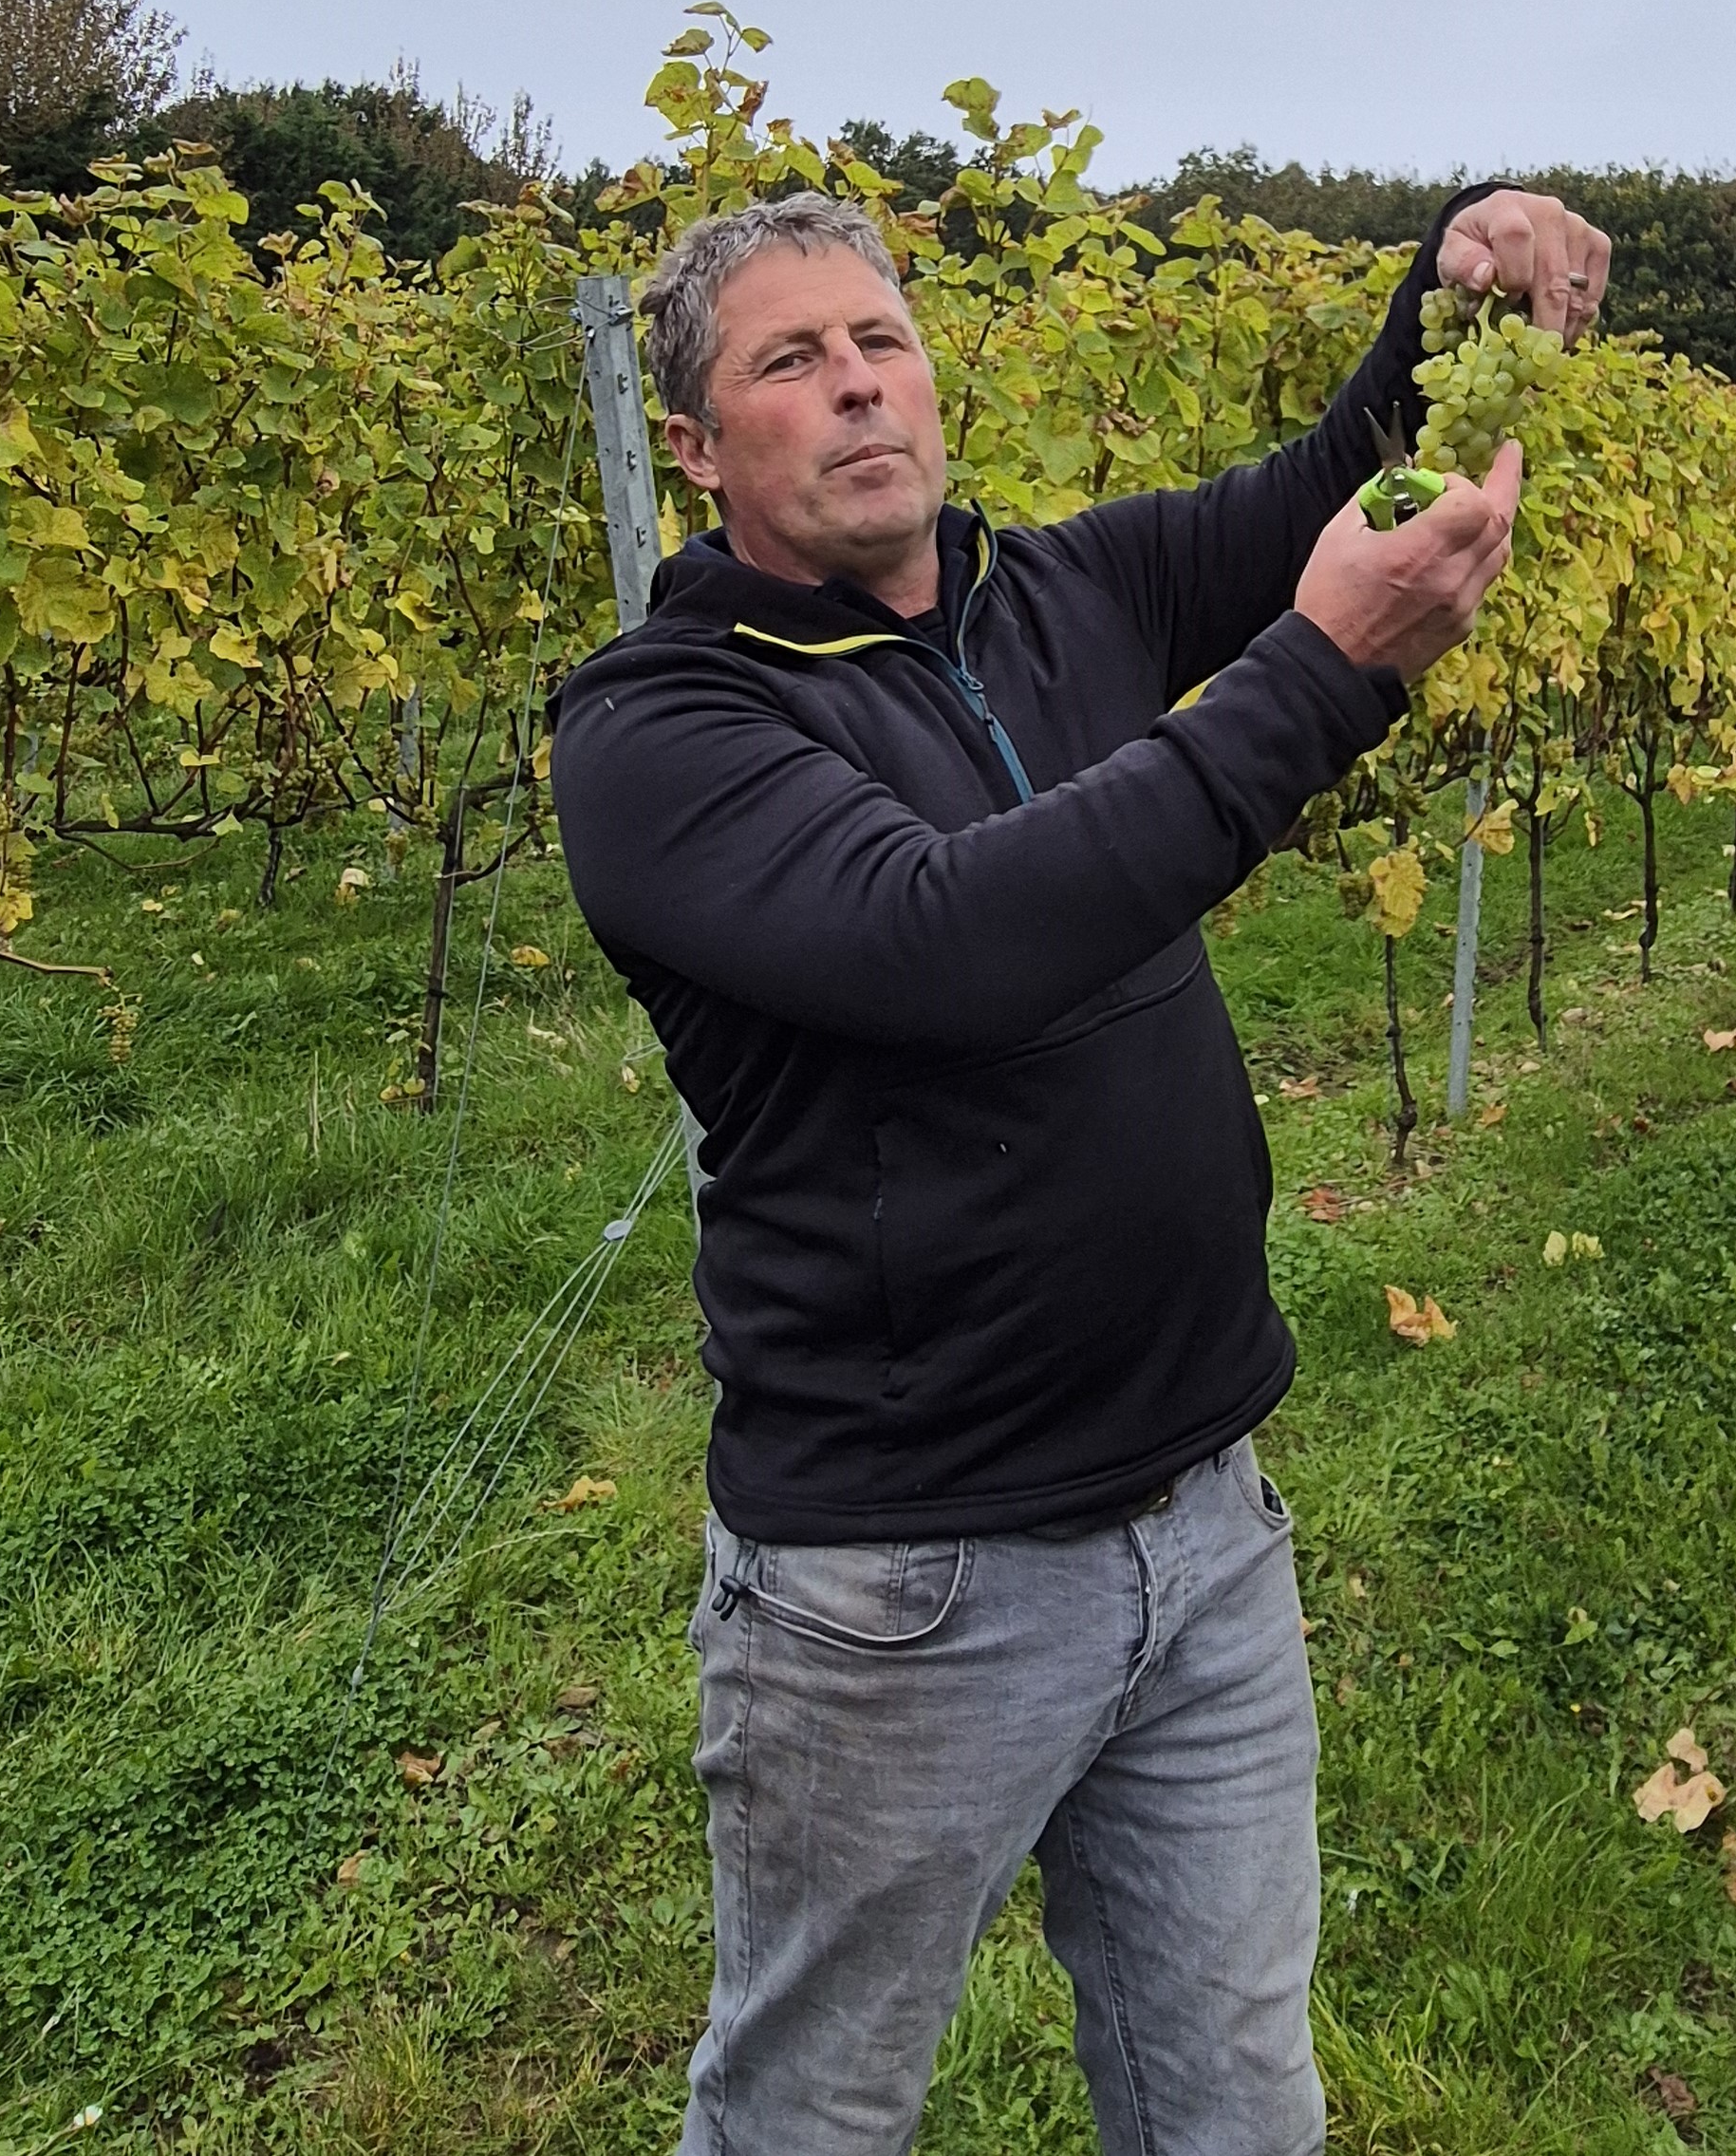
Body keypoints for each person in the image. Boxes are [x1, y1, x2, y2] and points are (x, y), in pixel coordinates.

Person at [551, 178, 1611, 2156]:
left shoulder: (1055, 595)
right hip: (905, 1589)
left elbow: (1320, 472)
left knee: (1237, 2108)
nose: (860, 388)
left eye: (881, 342)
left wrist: (1447, 287)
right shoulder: (659, 729)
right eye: (793, 362)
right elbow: (952, 938)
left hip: (1201, 1526)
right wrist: (1326, 673)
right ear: (696, 447)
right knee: (807, 2117)